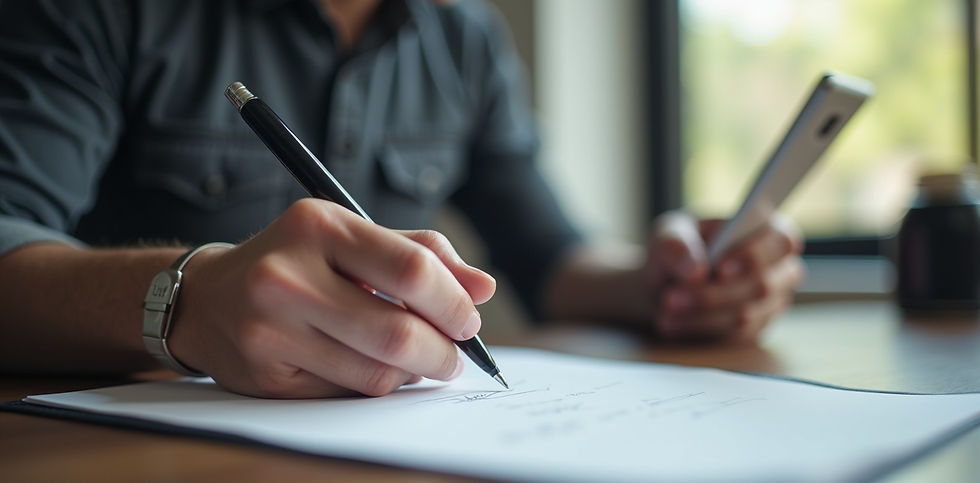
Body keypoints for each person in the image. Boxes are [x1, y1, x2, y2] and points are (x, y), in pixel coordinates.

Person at [0, 0, 804, 398]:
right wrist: (184, 300)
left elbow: (550, 254)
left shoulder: (463, 37)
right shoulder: (99, 12)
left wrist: (663, 279)